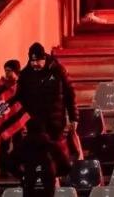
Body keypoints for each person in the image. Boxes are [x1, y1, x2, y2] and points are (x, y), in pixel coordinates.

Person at [16, 44, 74, 177]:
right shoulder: (25, 75)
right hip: (35, 125)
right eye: (32, 61)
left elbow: (70, 95)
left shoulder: (58, 70)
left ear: (44, 58)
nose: (35, 64)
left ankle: (58, 182)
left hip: (55, 122)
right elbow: (20, 100)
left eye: (37, 60)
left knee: (56, 155)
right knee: (38, 157)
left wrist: (73, 117)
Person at [0, 59, 28, 178]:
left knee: (18, 145)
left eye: (9, 71)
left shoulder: (22, 87)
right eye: (5, 71)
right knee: (4, 146)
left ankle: (17, 166)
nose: (7, 73)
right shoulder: (1, 88)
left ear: (16, 72)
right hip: (6, 121)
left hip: (19, 122)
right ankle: (4, 169)